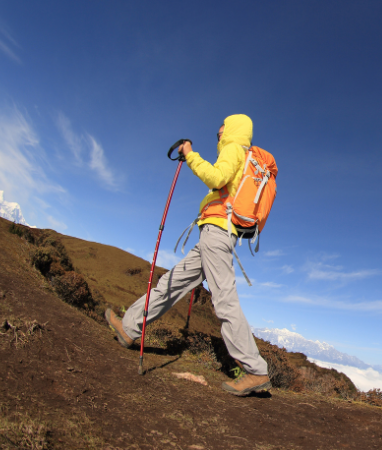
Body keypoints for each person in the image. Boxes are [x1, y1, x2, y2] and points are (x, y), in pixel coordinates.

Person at [105, 114, 271, 396]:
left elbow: (216, 177)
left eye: (222, 127)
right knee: (172, 283)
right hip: (215, 236)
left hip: (217, 236)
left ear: (232, 128)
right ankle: (130, 328)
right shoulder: (246, 159)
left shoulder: (234, 150)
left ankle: (256, 370)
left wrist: (190, 154)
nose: (218, 132)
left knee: (224, 301)